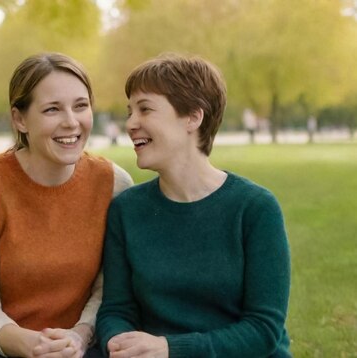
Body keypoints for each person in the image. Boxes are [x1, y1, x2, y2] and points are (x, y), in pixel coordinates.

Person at [96, 54, 292, 357]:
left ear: (193, 117)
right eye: (130, 112)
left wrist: (172, 348)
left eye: (145, 109)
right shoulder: (127, 210)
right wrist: (122, 343)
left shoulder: (255, 209)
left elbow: (263, 328)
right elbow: (116, 309)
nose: (131, 123)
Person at [0, 52, 133, 358]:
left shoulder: (114, 184)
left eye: (81, 106)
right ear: (19, 119)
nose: (71, 122)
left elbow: (108, 292)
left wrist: (79, 337)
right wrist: (32, 345)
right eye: (52, 109)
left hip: (79, 345)